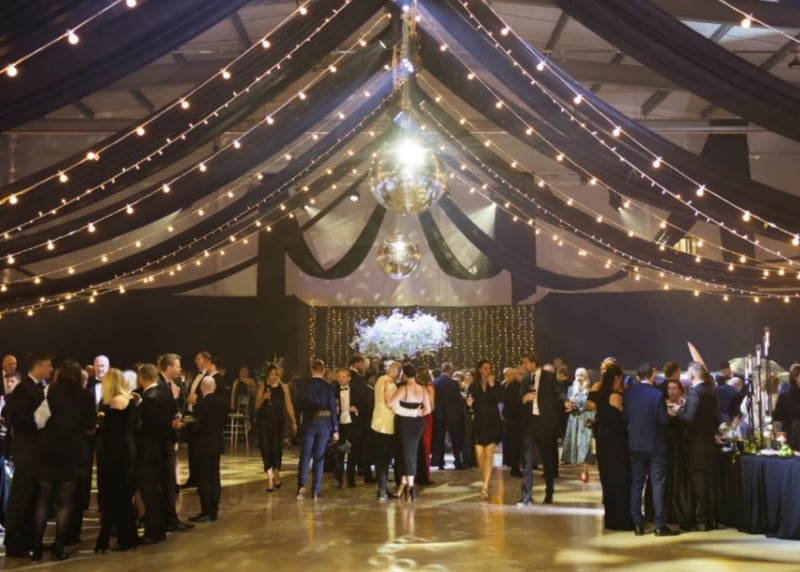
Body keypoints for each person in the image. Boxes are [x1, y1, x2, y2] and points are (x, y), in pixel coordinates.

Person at [32, 359, 96, 561]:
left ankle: (36, 548)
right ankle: (59, 547)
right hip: (72, 453)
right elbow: (90, 426)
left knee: (43, 500)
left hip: (48, 451)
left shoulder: (50, 391)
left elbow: (39, 420)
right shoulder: (86, 396)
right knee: (65, 502)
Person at [3, 352, 50, 558]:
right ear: (38, 367)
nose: (51, 369)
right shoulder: (24, 389)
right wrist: (40, 418)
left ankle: (29, 539)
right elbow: (20, 419)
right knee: (20, 497)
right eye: (48, 365)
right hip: (26, 450)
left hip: (35, 451)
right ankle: (14, 542)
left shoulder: (37, 388)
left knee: (31, 497)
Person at [624, 362, 677, 537]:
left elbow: (625, 418)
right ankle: (660, 525)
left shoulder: (629, 393)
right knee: (658, 484)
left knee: (636, 484)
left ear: (638, 376)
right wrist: (670, 415)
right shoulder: (657, 394)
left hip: (635, 444)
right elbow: (663, 421)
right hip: (655, 445)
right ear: (652, 375)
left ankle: (637, 524)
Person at [670, 361, 719, 532]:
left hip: (695, 444)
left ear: (691, 375)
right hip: (708, 441)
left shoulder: (695, 392)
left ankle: (701, 519)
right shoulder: (712, 391)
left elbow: (689, 420)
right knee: (708, 482)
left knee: (697, 482)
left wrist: (678, 410)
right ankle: (710, 518)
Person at [95, 368, 139, 553]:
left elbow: (113, 431)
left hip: (116, 452)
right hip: (128, 448)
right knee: (123, 496)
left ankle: (118, 538)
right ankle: (126, 537)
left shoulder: (115, 402)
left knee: (116, 496)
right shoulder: (130, 400)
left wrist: (99, 426)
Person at [517, 352, 562, 506]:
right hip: (529, 423)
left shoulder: (549, 377)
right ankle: (526, 496)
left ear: (533, 363)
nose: (523, 366)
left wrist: (565, 402)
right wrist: (524, 399)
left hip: (544, 423)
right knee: (527, 460)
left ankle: (549, 492)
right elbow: (519, 399)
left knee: (547, 459)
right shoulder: (525, 380)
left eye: (525, 363)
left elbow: (557, 394)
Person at [592, 362, 633, 530]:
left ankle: (610, 518)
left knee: (607, 478)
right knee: (620, 479)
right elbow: (624, 418)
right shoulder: (615, 396)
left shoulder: (599, 393)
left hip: (603, 439)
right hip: (616, 441)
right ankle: (622, 520)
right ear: (617, 378)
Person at [135, 364, 170, 544]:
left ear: (141, 378)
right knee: (157, 492)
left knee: (150, 494)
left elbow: (145, 428)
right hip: (161, 450)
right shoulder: (164, 395)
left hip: (148, 452)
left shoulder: (148, 399)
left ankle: (152, 532)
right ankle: (160, 529)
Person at [296, 360, 339, 500]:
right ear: (324, 370)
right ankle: (315, 490)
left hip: (308, 424)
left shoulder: (304, 386)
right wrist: (335, 429)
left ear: (312, 370)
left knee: (305, 456)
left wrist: (296, 423)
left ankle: (301, 487)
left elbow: (298, 406)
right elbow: (333, 409)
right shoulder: (329, 388)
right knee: (319, 457)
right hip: (324, 425)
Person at [388, 364, 432, 501]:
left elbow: (390, 404)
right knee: (409, 453)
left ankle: (410, 488)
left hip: (405, 423)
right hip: (418, 424)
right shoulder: (423, 389)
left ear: (405, 375)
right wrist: (418, 413)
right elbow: (428, 410)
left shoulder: (404, 388)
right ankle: (404, 484)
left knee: (407, 454)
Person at [189, 376, 228, 522]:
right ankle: (214, 510)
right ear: (214, 387)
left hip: (203, 444)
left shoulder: (201, 403)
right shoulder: (223, 402)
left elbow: (197, 424)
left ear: (201, 387)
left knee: (204, 478)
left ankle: (206, 510)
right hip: (217, 443)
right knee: (215, 477)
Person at [255, 367, 296, 491]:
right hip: (264, 422)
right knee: (266, 448)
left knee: (276, 448)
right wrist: (263, 397)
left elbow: (288, 404)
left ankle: (277, 473)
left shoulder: (284, 387)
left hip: (278, 422)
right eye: (271, 374)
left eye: (275, 374)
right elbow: (256, 406)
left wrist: (293, 421)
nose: (273, 377)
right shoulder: (263, 386)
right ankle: (269, 478)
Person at [469, 360, 502, 500]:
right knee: (479, 455)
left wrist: (492, 385)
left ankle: (485, 487)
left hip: (493, 422)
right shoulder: (473, 386)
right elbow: (472, 405)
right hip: (479, 422)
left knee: (489, 453)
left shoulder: (496, 384)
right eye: (485, 368)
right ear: (480, 370)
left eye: (490, 368)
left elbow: (497, 400)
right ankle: (486, 482)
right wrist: (469, 404)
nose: (488, 371)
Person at [663, 378, 694, 528]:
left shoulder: (685, 406)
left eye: (674, 388)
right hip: (666, 447)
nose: (671, 391)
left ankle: (679, 512)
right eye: (669, 388)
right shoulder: (662, 405)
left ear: (681, 391)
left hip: (681, 446)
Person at [372, 361, 400, 500]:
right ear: (397, 372)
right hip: (385, 425)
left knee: (382, 459)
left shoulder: (380, 380)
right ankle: (382, 489)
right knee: (383, 459)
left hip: (378, 423)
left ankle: (383, 489)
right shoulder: (389, 383)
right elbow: (389, 403)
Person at [561, 367, 594, 483]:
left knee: (585, 445)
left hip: (585, 419)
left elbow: (591, 405)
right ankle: (582, 470)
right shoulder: (571, 389)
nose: (579, 377)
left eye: (581, 375)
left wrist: (580, 404)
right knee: (576, 445)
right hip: (574, 419)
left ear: (586, 377)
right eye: (577, 375)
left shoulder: (590, 390)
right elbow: (569, 402)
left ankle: (585, 471)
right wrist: (568, 405)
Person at [334, 367, 365, 488]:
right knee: (339, 452)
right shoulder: (333, 390)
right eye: (339, 377)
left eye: (343, 377)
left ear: (349, 378)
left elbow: (364, 405)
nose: (341, 379)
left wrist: (357, 409)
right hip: (340, 424)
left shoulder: (357, 390)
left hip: (353, 424)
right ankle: (338, 479)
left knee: (353, 452)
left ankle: (351, 479)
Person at [431, 362, 465, 470]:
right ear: (450, 370)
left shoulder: (434, 382)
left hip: (439, 415)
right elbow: (458, 399)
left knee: (440, 440)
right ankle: (457, 462)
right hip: (453, 416)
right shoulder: (453, 383)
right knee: (455, 439)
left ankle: (440, 462)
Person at [501, 366, 524, 477]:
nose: (506, 376)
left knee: (515, 444)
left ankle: (515, 467)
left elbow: (516, 403)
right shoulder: (504, 385)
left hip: (515, 419)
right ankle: (510, 463)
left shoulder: (516, 386)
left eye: (509, 374)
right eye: (505, 374)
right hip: (508, 419)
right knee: (510, 443)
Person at [415, 366, 436, 486]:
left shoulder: (416, 387)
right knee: (425, 446)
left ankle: (418, 474)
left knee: (418, 446)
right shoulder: (429, 387)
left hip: (417, 416)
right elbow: (432, 406)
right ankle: (424, 475)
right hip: (426, 417)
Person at [774, 363, 800, 450]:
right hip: (791, 436)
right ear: (796, 378)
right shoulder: (785, 397)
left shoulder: (784, 396)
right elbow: (778, 417)